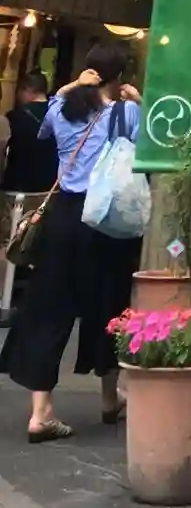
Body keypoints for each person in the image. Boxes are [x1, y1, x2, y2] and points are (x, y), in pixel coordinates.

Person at [0, 46, 142, 442]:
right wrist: (139, 100)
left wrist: (68, 87)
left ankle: (40, 412)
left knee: (49, 307)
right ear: (119, 76)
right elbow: (152, 145)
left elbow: (45, 129)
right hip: (105, 218)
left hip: (62, 217)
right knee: (109, 305)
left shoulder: (61, 108)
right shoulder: (125, 113)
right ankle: (110, 398)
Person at [3, 72, 58, 196]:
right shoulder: (60, 116)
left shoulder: (15, 117)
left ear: (28, 89)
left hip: (17, 188)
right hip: (49, 190)